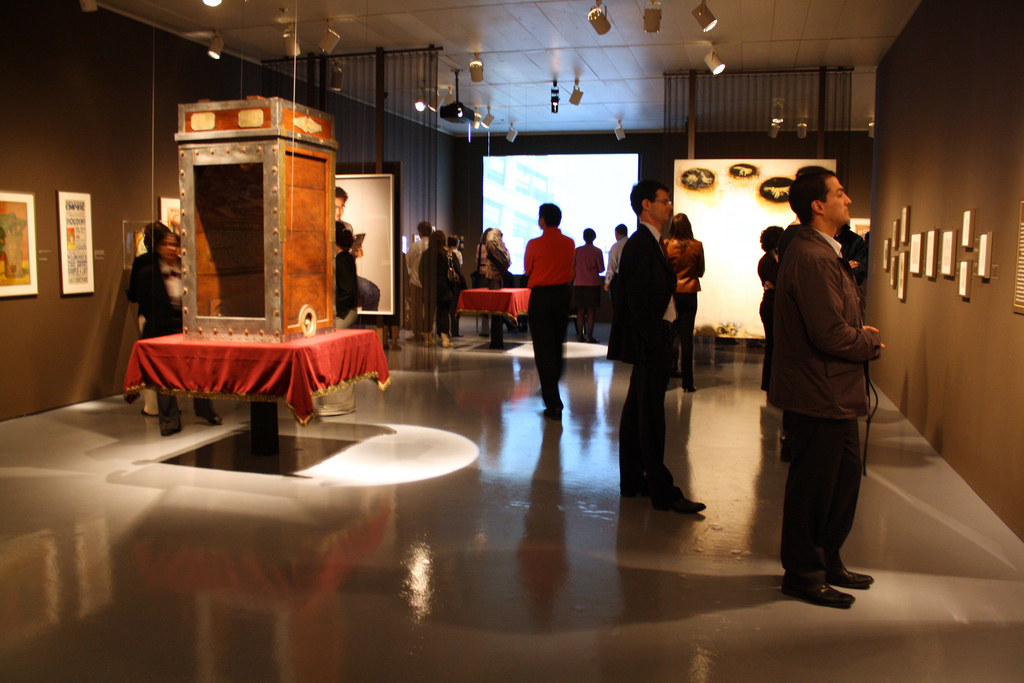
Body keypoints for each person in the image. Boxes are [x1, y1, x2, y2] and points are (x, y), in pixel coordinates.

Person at [769, 169, 883, 609]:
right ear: (818, 205)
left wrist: (857, 331)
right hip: (818, 392)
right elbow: (828, 333)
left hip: (832, 391)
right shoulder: (813, 256)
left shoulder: (820, 251)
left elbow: (833, 322)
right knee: (814, 487)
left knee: (842, 480)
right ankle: (802, 572)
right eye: (839, 193)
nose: (848, 199)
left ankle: (826, 559)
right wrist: (869, 341)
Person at [608, 180, 705, 514]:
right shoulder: (640, 245)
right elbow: (637, 304)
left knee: (638, 414)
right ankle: (662, 491)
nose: (670, 206)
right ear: (646, 204)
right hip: (650, 344)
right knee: (650, 419)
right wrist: (657, 344)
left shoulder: (650, 243)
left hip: (651, 341)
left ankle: (633, 480)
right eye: (665, 201)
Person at [133, 227, 221, 436]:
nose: (171, 248)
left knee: (198, 371)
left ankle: (205, 410)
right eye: (167, 245)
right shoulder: (148, 272)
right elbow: (141, 300)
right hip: (159, 330)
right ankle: (170, 421)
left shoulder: (187, 269)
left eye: (174, 244)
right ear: (158, 247)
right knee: (164, 378)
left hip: (185, 330)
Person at [524, 203, 575, 421]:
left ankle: (553, 402)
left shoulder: (534, 243)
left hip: (541, 297)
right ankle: (553, 386)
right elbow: (571, 269)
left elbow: (528, 270)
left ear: (542, 220)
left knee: (543, 348)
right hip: (562, 296)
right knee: (556, 344)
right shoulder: (569, 243)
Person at [316, 226, 360, 416]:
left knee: (331, 356)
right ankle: (338, 402)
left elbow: (348, 291)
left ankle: (337, 402)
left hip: (342, 315)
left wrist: (334, 314)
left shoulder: (341, 260)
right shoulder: (345, 258)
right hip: (344, 313)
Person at [662, 213, 704, 392]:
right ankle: (688, 383)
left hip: (672, 295)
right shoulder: (697, 245)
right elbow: (701, 271)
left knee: (669, 337)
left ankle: (664, 380)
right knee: (687, 340)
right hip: (690, 293)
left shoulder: (666, 245)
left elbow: (663, 270)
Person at [126, 222, 160, 418]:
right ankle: (175, 404)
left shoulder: (142, 262)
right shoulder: (178, 262)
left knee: (149, 362)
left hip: (147, 315)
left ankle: (153, 407)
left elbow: (134, 294)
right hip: (172, 319)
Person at [335, 187, 381, 312]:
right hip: (331, 273)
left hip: (346, 274)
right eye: (335, 207)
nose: (338, 211)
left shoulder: (347, 227)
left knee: (372, 291)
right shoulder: (322, 226)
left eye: (341, 207)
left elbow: (348, 257)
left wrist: (355, 254)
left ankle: (367, 330)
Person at [420, 229, 463, 348]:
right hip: (445, 289)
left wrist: (425, 285)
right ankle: (445, 340)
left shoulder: (426, 254)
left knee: (428, 314)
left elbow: (420, 272)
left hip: (429, 289)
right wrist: (463, 286)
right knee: (443, 314)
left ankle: (428, 339)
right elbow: (458, 271)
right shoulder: (449, 254)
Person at [758, 225, 785, 392]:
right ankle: (768, 385)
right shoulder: (766, 262)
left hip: (775, 306)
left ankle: (773, 384)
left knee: (775, 346)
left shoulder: (775, 259)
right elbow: (779, 281)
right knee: (772, 346)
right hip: (770, 307)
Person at [572, 228, 604, 343]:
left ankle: (580, 336)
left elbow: (573, 266)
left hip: (579, 284)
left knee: (580, 311)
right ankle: (590, 337)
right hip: (593, 284)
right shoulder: (597, 251)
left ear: (583, 237)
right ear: (594, 237)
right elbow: (601, 269)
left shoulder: (577, 251)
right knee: (591, 311)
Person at [484, 228, 512, 348]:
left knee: (497, 309)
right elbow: (506, 259)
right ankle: (496, 341)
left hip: (496, 276)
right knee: (496, 309)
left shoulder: (493, 241)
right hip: (494, 276)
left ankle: (497, 340)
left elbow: (506, 259)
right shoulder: (492, 240)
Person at [407, 221, 433, 345]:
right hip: (430, 283)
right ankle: (428, 332)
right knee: (429, 309)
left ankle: (417, 334)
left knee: (416, 310)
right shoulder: (433, 246)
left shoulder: (415, 246)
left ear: (420, 232)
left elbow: (409, 263)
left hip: (416, 281)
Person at [604, 223, 628, 293]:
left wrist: (607, 282)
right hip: (632, 278)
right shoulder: (633, 244)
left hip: (619, 279)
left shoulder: (616, 246)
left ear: (616, 233)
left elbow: (612, 266)